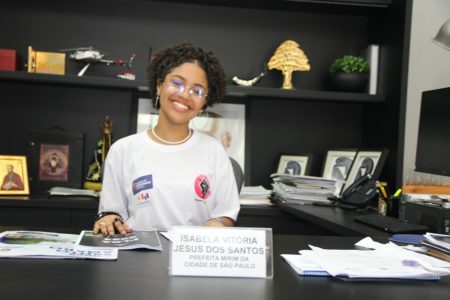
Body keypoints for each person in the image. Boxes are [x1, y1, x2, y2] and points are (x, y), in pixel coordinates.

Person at [93, 42, 240, 236]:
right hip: (137, 258)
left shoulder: (214, 150)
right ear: (159, 86)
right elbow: (111, 213)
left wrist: (218, 223)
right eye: (177, 83)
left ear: (205, 101)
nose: (185, 95)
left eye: (196, 91)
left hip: (193, 260)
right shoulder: (123, 150)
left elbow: (225, 214)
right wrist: (109, 219)